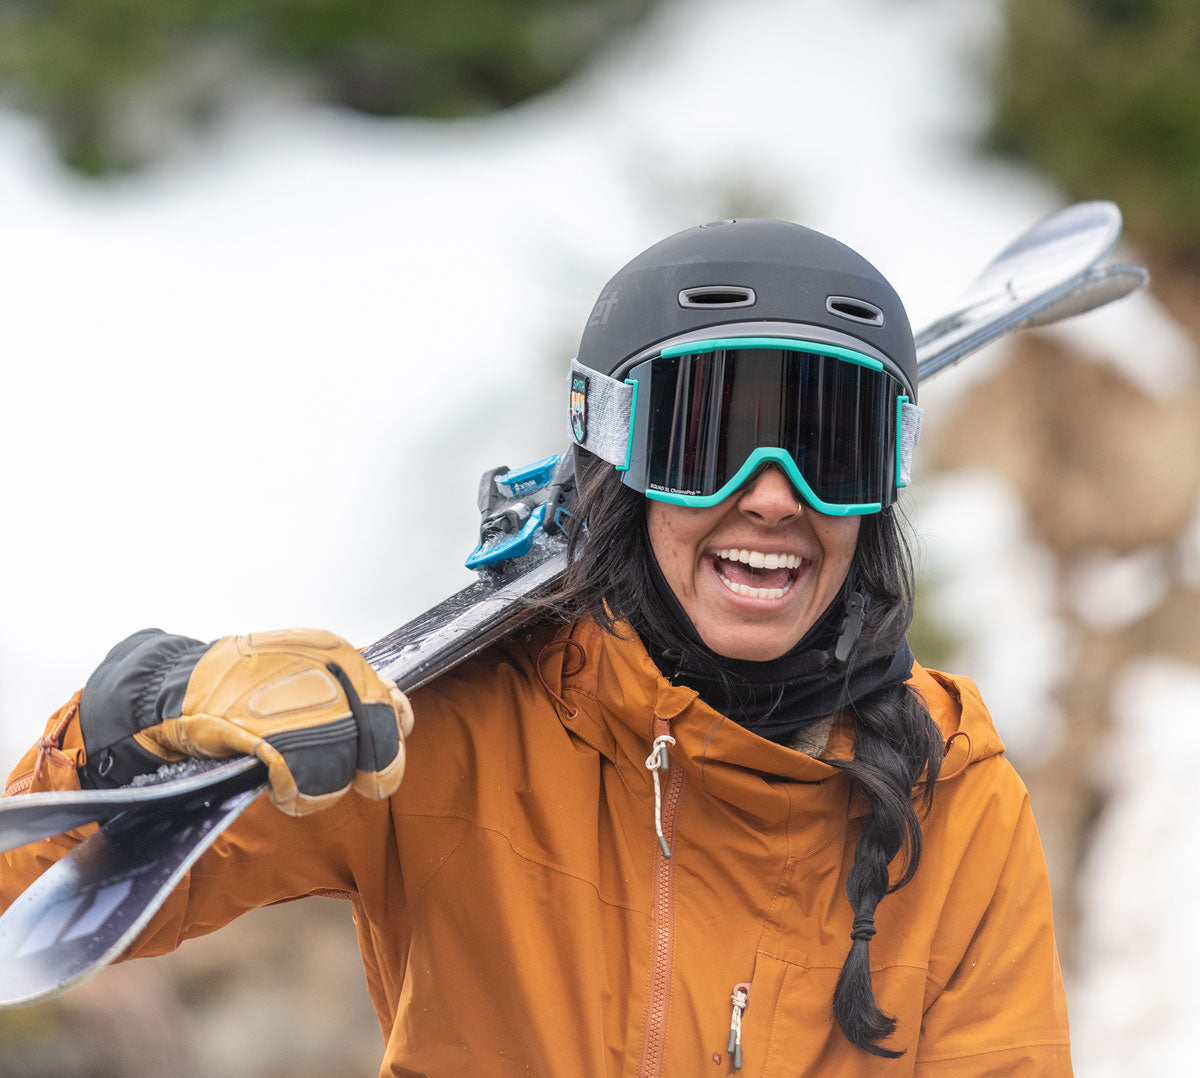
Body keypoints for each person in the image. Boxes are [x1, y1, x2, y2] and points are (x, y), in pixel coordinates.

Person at [2, 218, 1071, 1075]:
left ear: (881, 490)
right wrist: (133, 719)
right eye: (706, 442)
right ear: (618, 459)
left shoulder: (953, 793)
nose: (772, 498)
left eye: (829, 452)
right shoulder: (456, 734)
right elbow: (22, 907)